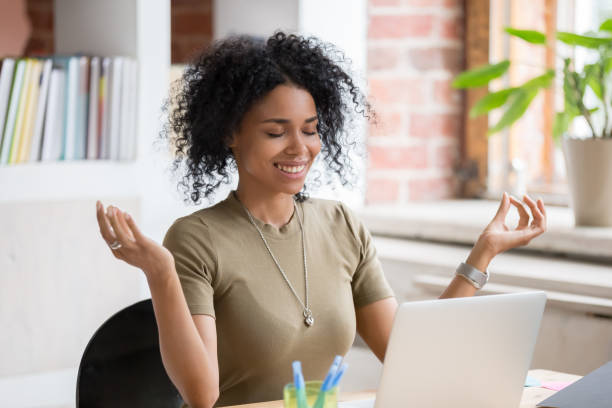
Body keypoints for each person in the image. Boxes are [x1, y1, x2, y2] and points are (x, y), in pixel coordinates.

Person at [95, 32, 547, 408]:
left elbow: (411, 355)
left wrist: (482, 254)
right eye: (276, 132)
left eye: (310, 130)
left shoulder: (340, 225)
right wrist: (160, 274)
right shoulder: (196, 238)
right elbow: (200, 394)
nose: (300, 148)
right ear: (229, 134)